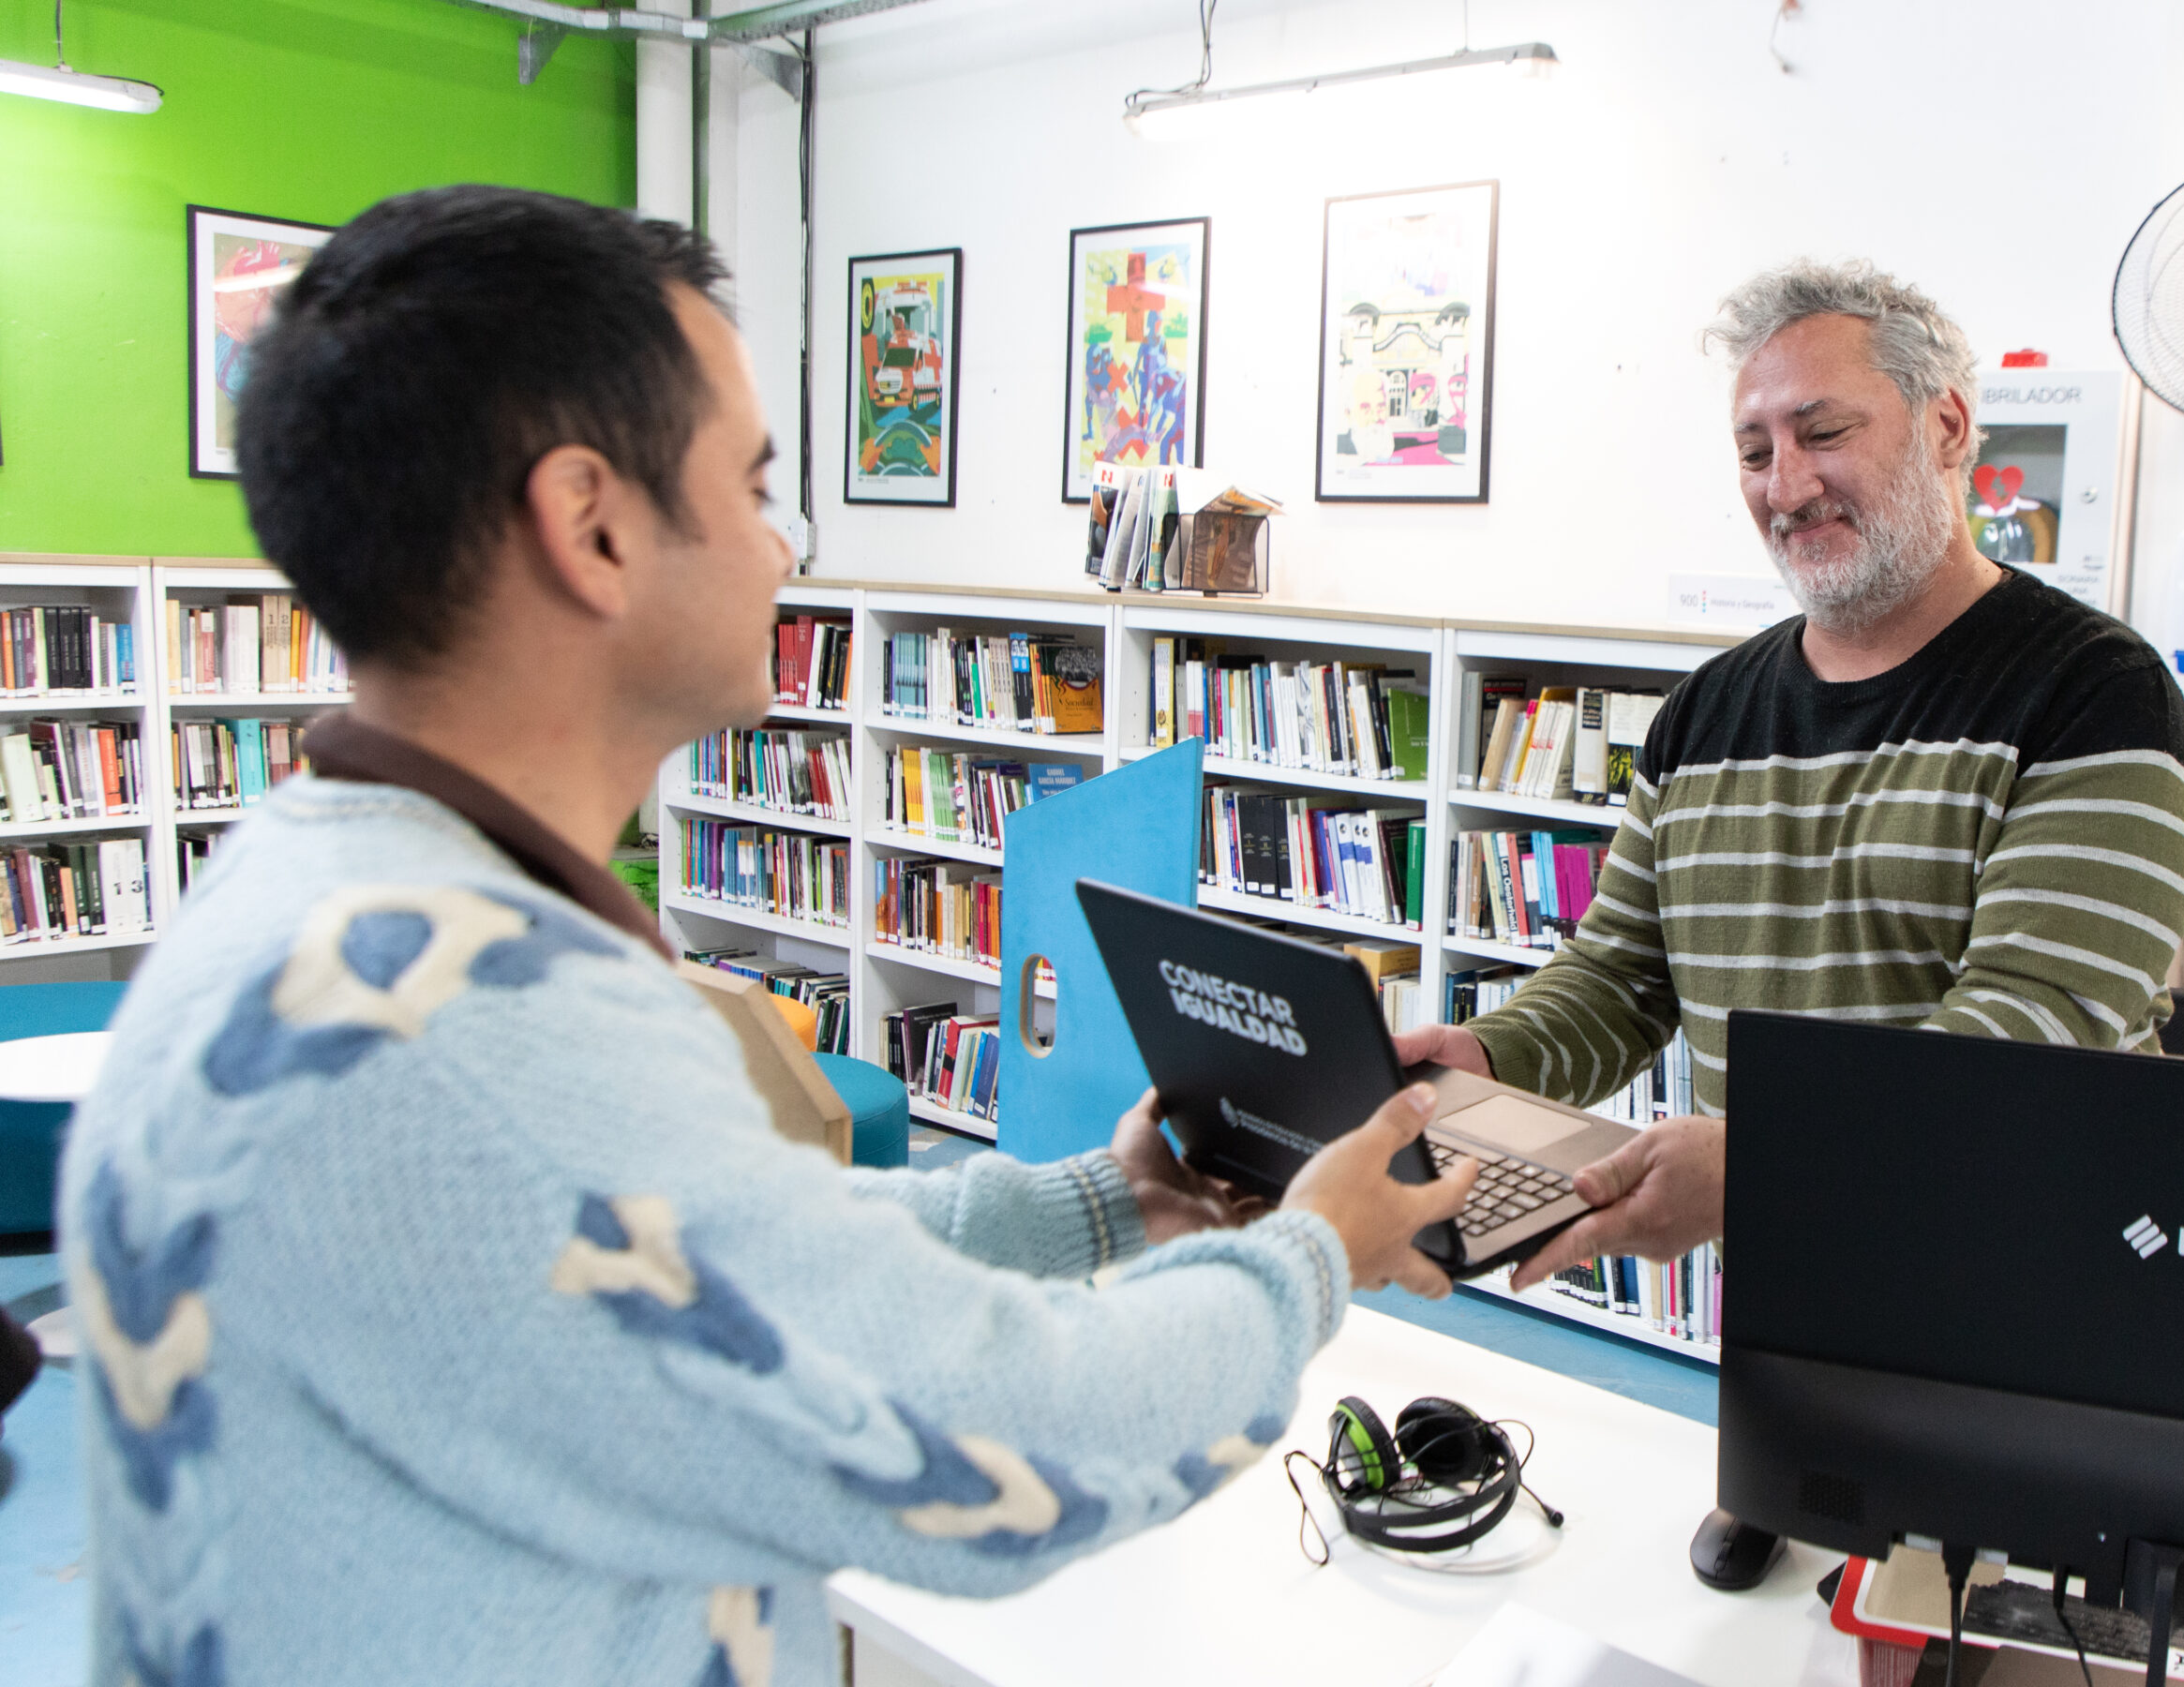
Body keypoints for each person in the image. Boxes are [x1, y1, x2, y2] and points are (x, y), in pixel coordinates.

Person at [59, 187, 1477, 1687]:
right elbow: (1002, 1443)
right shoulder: (472, 1028)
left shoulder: (340, 901)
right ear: (592, 525)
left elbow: (732, 1265)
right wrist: (1318, 1253)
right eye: (751, 489)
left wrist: (1101, 1203)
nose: (782, 550)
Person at [1393, 259, 2184, 1575]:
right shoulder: (1705, 713)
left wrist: (1768, 1161)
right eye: (1755, 449)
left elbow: (2036, 1028)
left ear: (1946, 428)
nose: (1786, 485)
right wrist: (1483, 1056)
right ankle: (1793, 1488)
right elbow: (1620, 975)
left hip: (2029, 1300)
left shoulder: (2095, 693)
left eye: (1825, 432)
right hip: (1793, 1295)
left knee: (1980, 1611)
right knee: (1782, 1573)